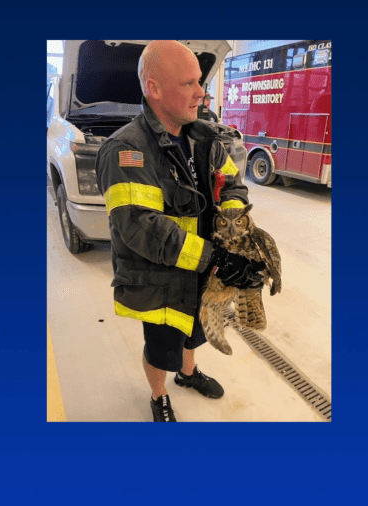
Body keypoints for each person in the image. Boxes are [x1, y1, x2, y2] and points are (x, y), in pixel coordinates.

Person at [96, 40, 266, 422]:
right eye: (188, 83)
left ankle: (187, 375)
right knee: (160, 348)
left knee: (194, 333)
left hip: (203, 274)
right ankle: (159, 396)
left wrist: (232, 228)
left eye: (199, 82)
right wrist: (217, 257)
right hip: (159, 279)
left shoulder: (205, 137)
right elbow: (141, 227)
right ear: (154, 88)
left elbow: (234, 185)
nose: (201, 92)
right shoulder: (126, 150)